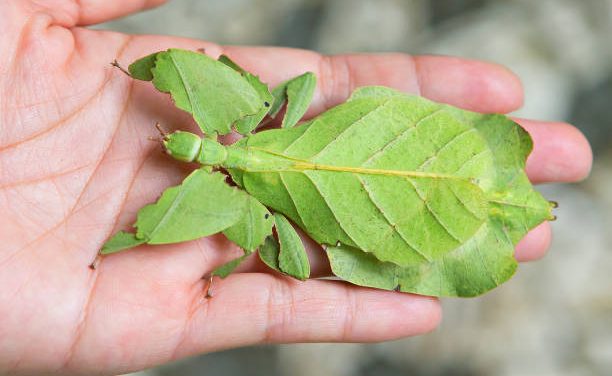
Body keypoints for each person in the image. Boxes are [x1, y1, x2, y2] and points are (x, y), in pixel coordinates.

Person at [0, 1, 592, 374]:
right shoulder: (252, 160)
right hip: (435, 171)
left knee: (300, 262)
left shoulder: (249, 212)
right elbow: (304, 85)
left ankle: (504, 202)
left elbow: (305, 86)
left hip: (457, 177)